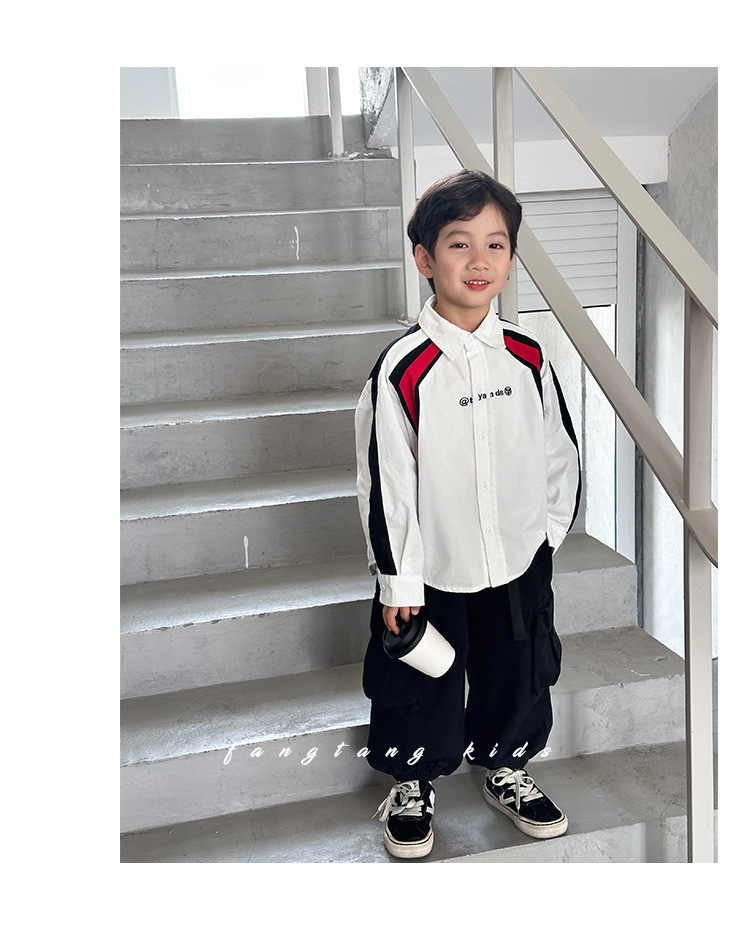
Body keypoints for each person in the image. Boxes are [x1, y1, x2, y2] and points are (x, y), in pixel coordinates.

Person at [354, 169, 581, 859]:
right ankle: (414, 780)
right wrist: (398, 580)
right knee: (421, 677)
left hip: (518, 555)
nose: (479, 260)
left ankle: (505, 764)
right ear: (425, 259)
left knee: (520, 666)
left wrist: (547, 533)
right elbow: (387, 482)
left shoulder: (528, 355)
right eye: (459, 244)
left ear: (510, 258)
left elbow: (558, 449)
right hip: (435, 567)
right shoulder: (404, 369)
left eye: (496, 244)